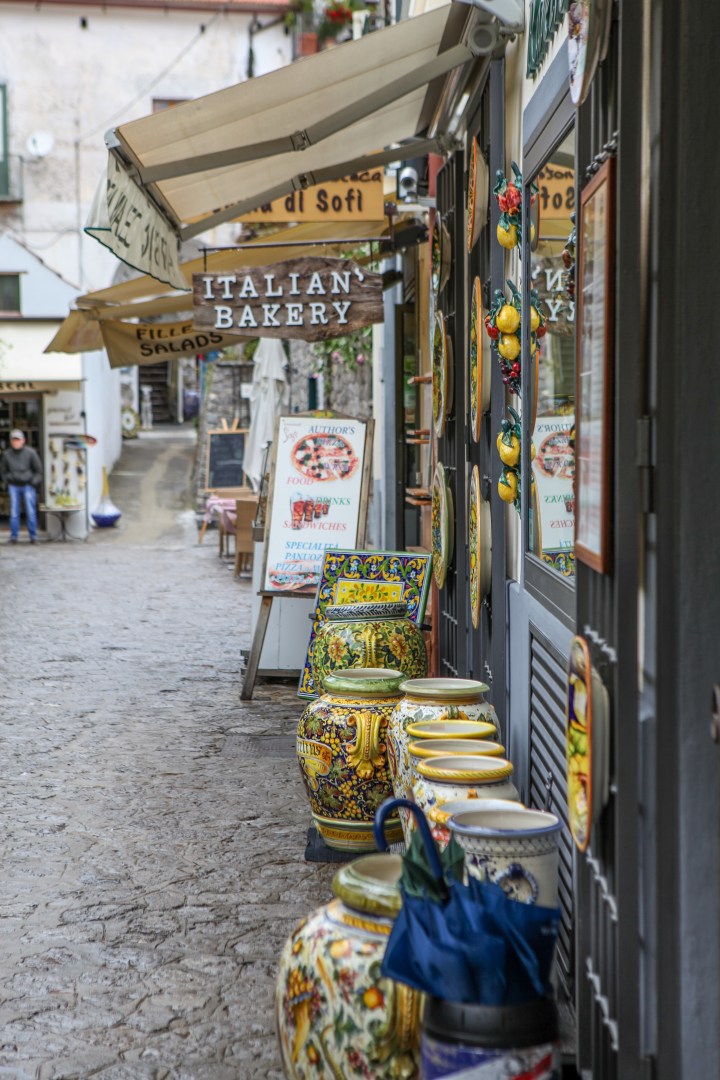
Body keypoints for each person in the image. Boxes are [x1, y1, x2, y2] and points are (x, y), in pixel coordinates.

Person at [2, 429, 42, 543]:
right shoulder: (7, 455)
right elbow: (3, 471)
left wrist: (33, 482)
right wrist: (7, 481)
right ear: (10, 441)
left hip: (28, 486)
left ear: (23, 440)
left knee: (31, 512)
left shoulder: (31, 453)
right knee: (14, 512)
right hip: (13, 486)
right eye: (14, 440)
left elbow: (39, 471)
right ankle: (14, 537)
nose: (16, 442)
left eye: (18, 440)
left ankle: (33, 536)